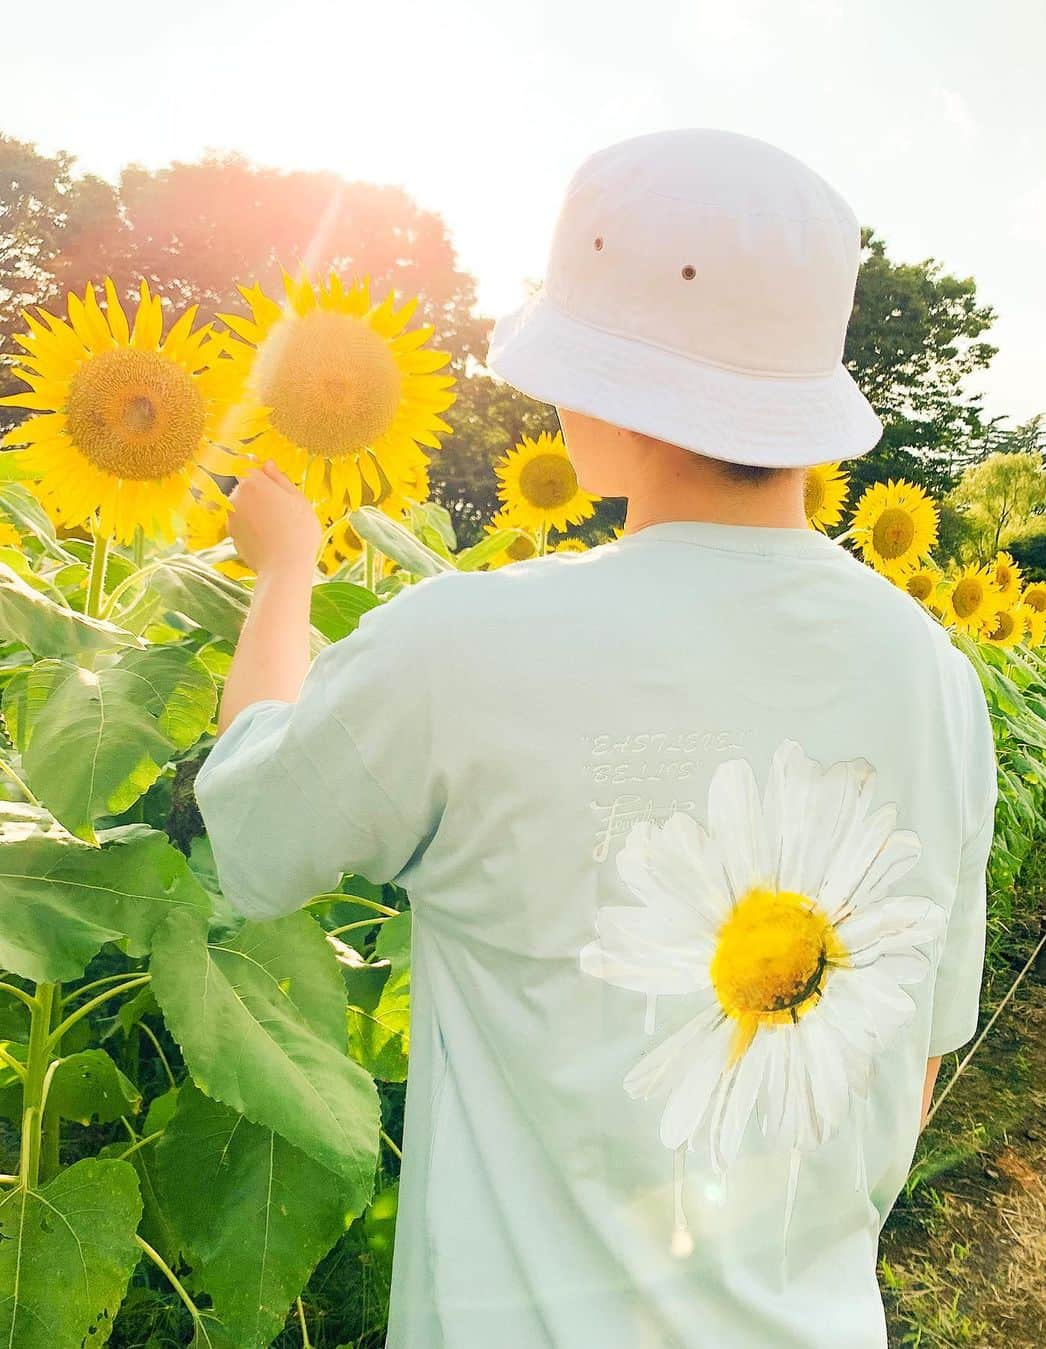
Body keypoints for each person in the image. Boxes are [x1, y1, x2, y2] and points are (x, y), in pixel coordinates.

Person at [195, 129, 999, 1349]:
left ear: (603, 382)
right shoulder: (937, 681)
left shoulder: (466, 644)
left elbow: (251, 831)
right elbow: (911, 1056)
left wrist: (285, 576)